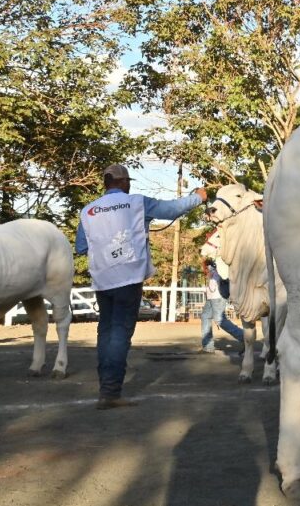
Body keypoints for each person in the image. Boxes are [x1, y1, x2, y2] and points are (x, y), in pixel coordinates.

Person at [76, 164, 206, 410]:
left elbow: (82, 247)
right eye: (128, 181)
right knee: (120, 333)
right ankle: (111, 392)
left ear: (106, 182)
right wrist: (197, 198)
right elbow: (171, 209)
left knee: (106, 332)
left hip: (102, 279)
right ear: (123, 182)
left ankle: (106, 388)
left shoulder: (88, 210)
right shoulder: (137, 203)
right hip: (129, 277)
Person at [200, 258, 244, 353]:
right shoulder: (213, 272)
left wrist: (210, 275)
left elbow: (213, 287)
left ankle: (244, 337)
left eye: (203, 267)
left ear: (207, 266)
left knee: (220, 320)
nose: (202, 269)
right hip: (211, 299)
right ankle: (208, 346)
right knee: (205, 316)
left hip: (217, 299)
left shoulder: (213, 273)